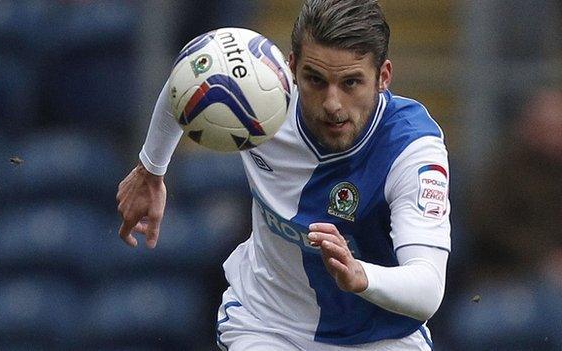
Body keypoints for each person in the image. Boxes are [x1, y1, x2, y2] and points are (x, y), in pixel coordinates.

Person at [116, 1, 451, 350]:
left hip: (381, 338)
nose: (332, 103)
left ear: (383, 76)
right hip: (267, 324)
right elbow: (186, 81)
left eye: (351, 83)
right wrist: (151, 169)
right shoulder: (262, 94)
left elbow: (427, 288)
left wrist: (360, 275)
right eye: (315, 81)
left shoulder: (411, 151)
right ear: (292, 67)